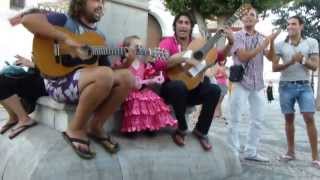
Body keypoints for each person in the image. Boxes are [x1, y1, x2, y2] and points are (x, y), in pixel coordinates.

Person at [21, 0, 135, 159]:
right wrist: (67, 39)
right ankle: (75, 128)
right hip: (58, 82)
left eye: (103, 1)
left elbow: (108, 71)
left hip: (89, 82)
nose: (101, 4)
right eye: (96, 0)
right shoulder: (63, 20)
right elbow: (27, 20)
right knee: (104, 75)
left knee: (128, 77)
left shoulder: (99, 37)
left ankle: (96, 126)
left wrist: (127, 63)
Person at [157, 12, 234, 151]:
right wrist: (184, 57)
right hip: (172, 89)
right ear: (175, 26)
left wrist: (231, 43)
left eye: (187, 23)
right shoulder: (167, 42)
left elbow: (219, 56)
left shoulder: (198, 43)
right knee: (178, 86)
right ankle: (181, 128)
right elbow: (158, 64)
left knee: (215, 90)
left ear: (191, 27)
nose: (183, 25)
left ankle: (201, 131)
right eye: (180, 22)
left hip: (193, 88)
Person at [227, 6, 279, 162]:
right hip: (240, 82)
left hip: (258, 83)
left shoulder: (262, 37)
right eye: (245, 15)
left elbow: (271, 58)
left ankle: (251, 151)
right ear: (242, 19)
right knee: (235, 118)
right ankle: (232, 152)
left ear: (257, 19)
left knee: (258, 119)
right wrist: (264, 44)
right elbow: (243, 56)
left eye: (252, 15)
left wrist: (272, 42)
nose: (248, 17)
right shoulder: (237, 36)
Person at [272, 15, 320, 168]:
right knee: (289, 120)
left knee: (309, 117)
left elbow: (315, 65)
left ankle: (315, 157)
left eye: (293, 24)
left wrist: (303, 60)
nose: (290, 27)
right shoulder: (280, 45)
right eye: (288, 24)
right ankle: (291, 152)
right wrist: (291, 61)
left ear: (301, 26)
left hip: (304, 86)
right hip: (285, 86)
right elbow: (274, 68)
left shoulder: (311, 42)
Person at [118, 35, 177, 134]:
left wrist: (155, 79)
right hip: (129, 91)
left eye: (141, 47)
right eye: (136, 46)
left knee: (153, 99)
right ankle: (132, 127)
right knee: (135, 101)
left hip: (142, 90)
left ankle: (150, 125)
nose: (139, 49)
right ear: (126, 48)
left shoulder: (143, 64)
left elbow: (146, 79)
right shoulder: (123, 63)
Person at [0, 55, 47, 139]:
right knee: (3, 76)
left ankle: (25, 120)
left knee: (1, 81)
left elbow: (55, 71)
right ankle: (13, 117)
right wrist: (29, 64)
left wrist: (33, 65)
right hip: (36, 76)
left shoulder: (57, 47)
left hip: (44, 82)